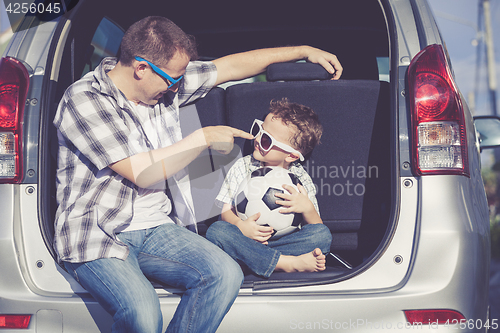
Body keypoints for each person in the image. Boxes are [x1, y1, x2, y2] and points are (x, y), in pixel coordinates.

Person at [53, 16, 342, 333]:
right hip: (98, 233)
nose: (177, 85)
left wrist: (302, 50)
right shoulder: (85, 99)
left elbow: (229, 68)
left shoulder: (164, 85)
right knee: (143, 316)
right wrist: (202, 138)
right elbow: (142, 172)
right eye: (172, 79)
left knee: (224, 274)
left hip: (157, 230)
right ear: (141, 68)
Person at [206, 99, 332, 278]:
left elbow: (316, 227)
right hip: (245, 239)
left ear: (291, 155)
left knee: (322, 236)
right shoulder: (243, 167)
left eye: (266, 140)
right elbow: (225, 213)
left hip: (285, 242)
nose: (257, 139)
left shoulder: (301, 178)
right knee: (217, 231)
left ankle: (252, 261)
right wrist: (240, 226)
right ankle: (286, 263)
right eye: (258, 130)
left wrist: (307, 208)